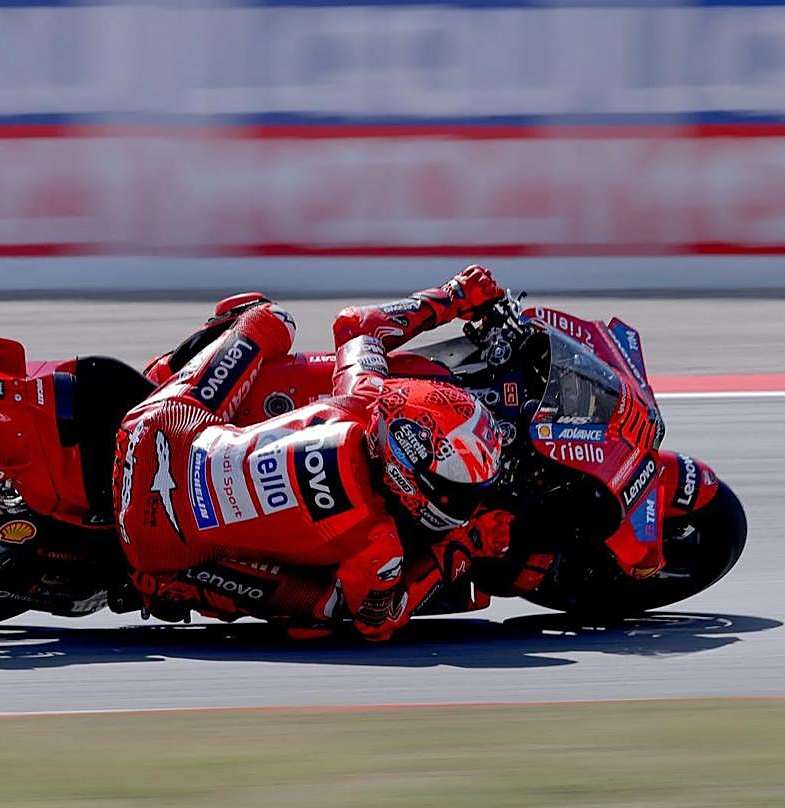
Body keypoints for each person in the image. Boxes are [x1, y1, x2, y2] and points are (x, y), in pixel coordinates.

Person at [112, 265, 512, 641]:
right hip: (158, 544)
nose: (469, 497)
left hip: (155, 429)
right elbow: (380, 621)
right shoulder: (380, 544)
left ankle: (166, 373)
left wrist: (453, 295)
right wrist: (462, 544)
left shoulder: (366, 394)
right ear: (411, 480)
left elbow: (357, 324)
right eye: (458, 489)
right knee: (321, 611)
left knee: (269, 319)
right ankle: (176, 587)